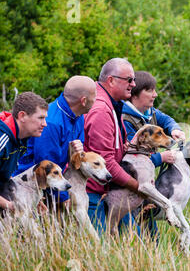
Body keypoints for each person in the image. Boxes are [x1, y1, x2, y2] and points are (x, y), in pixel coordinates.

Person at [13, 76, 96, 207]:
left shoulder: (78, 117)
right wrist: (63, 197)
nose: (96, 100)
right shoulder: (52, 122)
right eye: (94, 97)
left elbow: (75, 158)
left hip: (57, 184)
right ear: (84, 101)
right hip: (29, 187)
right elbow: (45, 163)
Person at [122, 70, 185, 238]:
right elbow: (130, 157)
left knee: (152, 235)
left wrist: (175, 129)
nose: (155, 94)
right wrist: (160, 158)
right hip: (128, 189)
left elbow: (167, 120)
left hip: (145, 189)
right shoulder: (125, 119)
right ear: (135, 94)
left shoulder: (150, 113)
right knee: (133, 236)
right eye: (149, 90)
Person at [83, 57, 142, 235]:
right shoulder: (101, 110)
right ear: (111, 80)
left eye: (134, 80)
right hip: (93, 193)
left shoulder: (111, 103)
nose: (133, 84)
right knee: (99, 250)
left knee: (134, 240)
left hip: (108, 190)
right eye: (129, 80)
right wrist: (138, 187)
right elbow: (106, 162)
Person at [0, 92, 48, 213]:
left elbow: (4, 176)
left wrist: (31, 199)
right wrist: (10, 205)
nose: (45, 124)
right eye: (40, 118)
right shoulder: (2, 139)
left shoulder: (21, 139)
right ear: (22, 116)